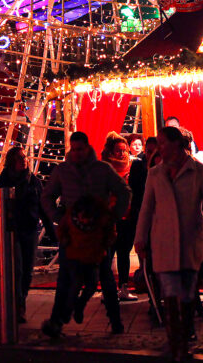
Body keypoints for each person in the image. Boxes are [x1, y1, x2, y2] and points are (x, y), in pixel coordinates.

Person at [135, 126, 203, 362]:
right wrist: (140, 237)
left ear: (176, 144)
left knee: (188, 292)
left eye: (163, 143)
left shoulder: (198, 171)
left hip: (191, 241)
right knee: (169, 292)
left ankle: (186, 331)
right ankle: (175, 342)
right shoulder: (155, 174)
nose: (160, 148)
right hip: (164, 241)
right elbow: (146, 209)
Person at [40, 131, 130, 338]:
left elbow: (124, 191)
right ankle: (57, 320)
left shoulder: (102, 169)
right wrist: (59, 217)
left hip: (96, 233)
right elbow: (47, 196)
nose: (77, 153)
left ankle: (115, 320)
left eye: (80, 149)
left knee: (104, 276)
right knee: (66, 278)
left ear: (87, 148)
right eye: (74, 149)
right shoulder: (63, 171)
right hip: (72, 233)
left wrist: (112, 216)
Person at [0, 145, 55, 321]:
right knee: (17, 269)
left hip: (30, 229)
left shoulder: (33, 181)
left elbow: (42, 205)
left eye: (24, 158)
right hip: (12, 230)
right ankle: (17, 304)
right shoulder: (3, 181)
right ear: (12, 162)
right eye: (20, 158)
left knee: (27, 270)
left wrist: (50, 227)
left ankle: (21, 301)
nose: (24, 161)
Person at [58, 194, 116, 330]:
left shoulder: (100, 216)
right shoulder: (73, 215)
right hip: (76, 254)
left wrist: (105, 244)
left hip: (92, 255)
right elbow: (62, 229)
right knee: (76, 283)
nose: (84, 222)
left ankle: (77, 306)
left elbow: (110, 231)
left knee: (91, 284)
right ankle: (70, 309)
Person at [101, 133, 141, 302]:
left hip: (128, 214)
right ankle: (108, 290)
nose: (122, 154)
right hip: (110, 216)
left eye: (124, 150)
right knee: (108, 254)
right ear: (110, 151)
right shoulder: (104, 168)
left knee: (124, 251)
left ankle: (123, 286)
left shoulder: (132, 166)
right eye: (118, 150)